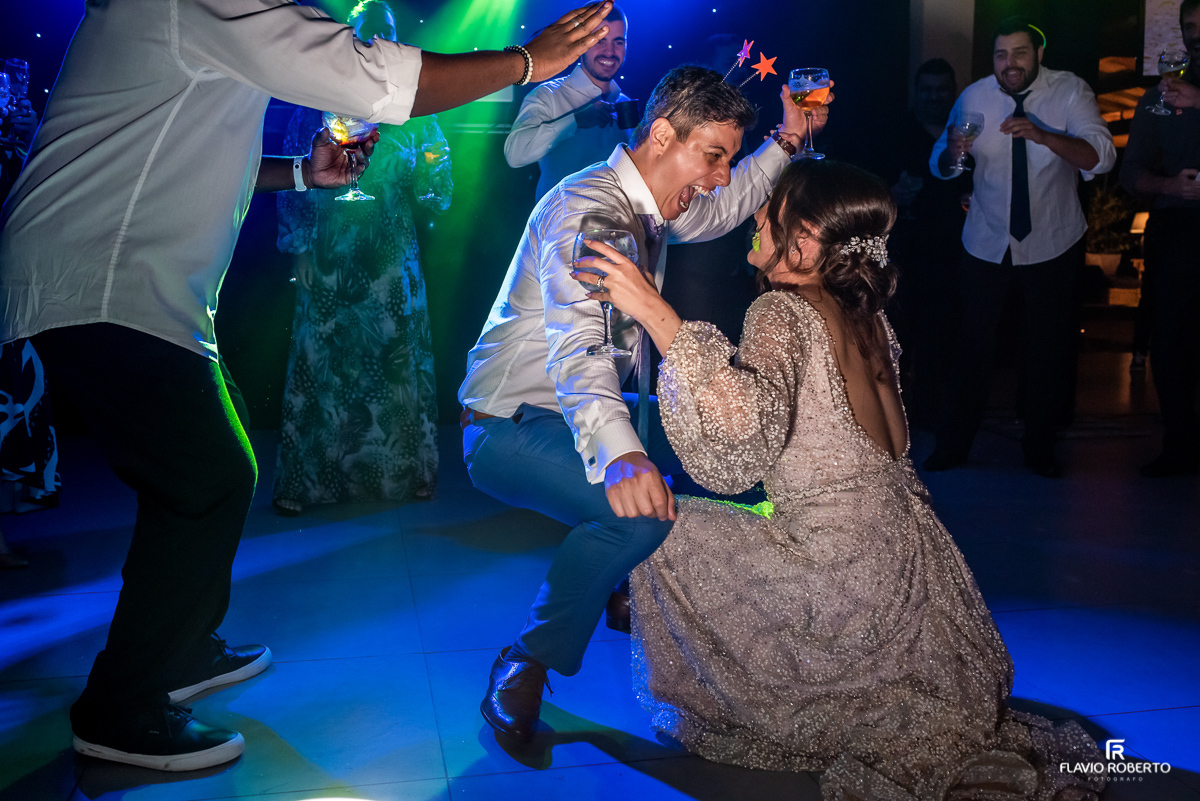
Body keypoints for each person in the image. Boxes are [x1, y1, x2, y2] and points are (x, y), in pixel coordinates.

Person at [0, 0, 616, 772]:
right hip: (97, 272)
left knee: (206, 474)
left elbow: (182, 153)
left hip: (129, 280)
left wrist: (299, 171)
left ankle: (181, 650)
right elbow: (370, 77)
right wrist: (530, 61)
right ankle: (118, 707)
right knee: (207, 476)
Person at [581, 158, 1106, 800]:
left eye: (766, 210)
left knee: (661, 522)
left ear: (801, 240)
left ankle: (680, 640)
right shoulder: (868, 315)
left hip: (841, 575)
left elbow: (740, 444)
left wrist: (653, 310)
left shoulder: (782, 311)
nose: (753, 216)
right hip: (915, 563)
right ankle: (634, 607)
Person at [460, 65, 826, 743]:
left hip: (571, 419)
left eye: (725, 159)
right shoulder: (592, 211)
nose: (719, 175)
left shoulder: (652, 206)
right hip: (508, 424)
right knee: (642, 518)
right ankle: (527, 660)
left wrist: (787, 140)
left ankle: (622, 589)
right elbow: (579, 349)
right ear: (662, 136)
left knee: (685, 492)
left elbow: (723, 207)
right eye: (711, 156)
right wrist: (624, 454)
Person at [273, 2, 453, 515]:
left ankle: (397, 475)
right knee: (325, 360)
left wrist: (433, 161)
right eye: (368, 33)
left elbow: (438, 191)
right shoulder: (316, 101)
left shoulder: (415, 109)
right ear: (352, 37)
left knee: (392, 359)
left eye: (387, 35)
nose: (377, 42)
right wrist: (299, 248)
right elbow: (293, 177)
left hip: (392, 253)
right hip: (330, 247)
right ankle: (310, 483)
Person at [924, 16, 1115, 477]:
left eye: (1020, 53)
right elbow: (941, 166)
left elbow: (1102, 156)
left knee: (1046, 347)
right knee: (973, 344)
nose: (1010, 64)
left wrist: (1044, 134)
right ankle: (954, 444)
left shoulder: (1070, 92)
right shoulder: (975, 96)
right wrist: (952, 153)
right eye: (1001, 55)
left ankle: (1040, 447)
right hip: (987, 240)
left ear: (1039, 54)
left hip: (1052, 239)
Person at [1118, 0, 1200, 476]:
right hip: (1177, 228)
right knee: (1170, 342)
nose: (1195, 33)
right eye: (1189, 25)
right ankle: (1181, 444)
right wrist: (1171, 185)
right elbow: (1130, 174)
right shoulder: (1155, 100)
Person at [879, 58, 969, 427]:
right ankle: (893, 418)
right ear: (916, 93)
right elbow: (867, 190)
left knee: (944, 337)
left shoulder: (967, 133)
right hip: (905, 254)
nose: (935, 97)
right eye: (927, 90)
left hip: (956, 252)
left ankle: (932, 416)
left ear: (953, 92)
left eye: (942, 90)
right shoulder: (894, 134)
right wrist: (892, 194)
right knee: (898, 338)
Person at [505, 5, 632, 201]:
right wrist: (576, 120)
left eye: (618, 42)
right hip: (562, 229)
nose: (609, 51)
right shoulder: (548, 95)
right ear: (582, 42)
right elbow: (514, 155)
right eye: (599, 40)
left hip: (620, 228)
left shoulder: (626, 104)